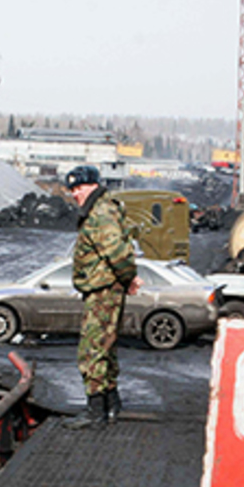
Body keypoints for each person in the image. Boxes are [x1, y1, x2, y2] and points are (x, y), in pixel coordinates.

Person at [63, 166, 142, 430]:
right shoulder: (103, 210)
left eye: (80, 188)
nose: (76, 194)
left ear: (94, 186)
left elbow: (118, 252)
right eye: (72, 190)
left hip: (103, 291)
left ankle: (95, 411)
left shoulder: (100, 213)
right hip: (106, 289)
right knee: (105, 348)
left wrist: (128, 277)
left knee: (92, 350)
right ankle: (110, 404)